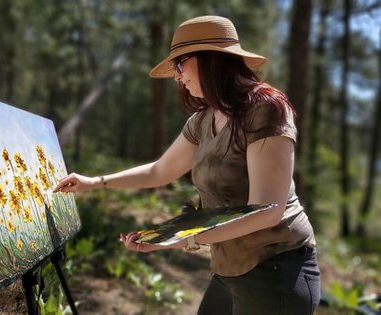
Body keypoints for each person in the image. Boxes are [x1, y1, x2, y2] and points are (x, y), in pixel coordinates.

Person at [53, 15, 320, 314]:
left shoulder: (266, 110)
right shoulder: (204, 118)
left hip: (276, 269)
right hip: (230, 266)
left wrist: (179, 241)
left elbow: (267, 212)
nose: (177, 77)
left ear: (211, 60)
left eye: (180, 64)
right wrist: (95, 182)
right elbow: (160, 171)